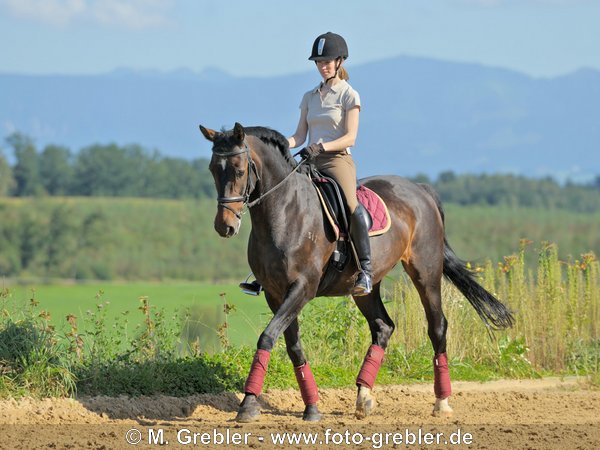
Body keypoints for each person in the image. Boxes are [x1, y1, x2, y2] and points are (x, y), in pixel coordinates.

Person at [240, 31, 372, 296]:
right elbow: (299, 136)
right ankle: (264, 271)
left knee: (349, 203)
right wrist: (276, 146)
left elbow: (351, 137)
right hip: (310, 159)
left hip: (337, 161)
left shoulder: (349, 95)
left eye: (327, 61)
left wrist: (322, 146)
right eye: (318, 62)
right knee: (280, 199)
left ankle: (366, 270)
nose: (322, 66)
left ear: (340, 61)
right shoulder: (309, 96)